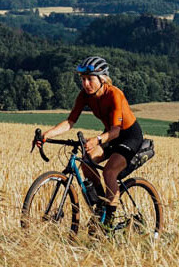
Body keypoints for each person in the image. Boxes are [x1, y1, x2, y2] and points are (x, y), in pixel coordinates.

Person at [34, 56, 144, 209]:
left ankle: (108, 221)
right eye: (83, 79)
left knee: (109, 172)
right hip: (109, 134)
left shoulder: (114, 94)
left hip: (129, 136)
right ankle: (100, 207)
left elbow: (116, 131)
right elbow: (70, 122)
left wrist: (97, 140)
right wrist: (47, 134)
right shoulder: (85, 95)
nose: (85, 84)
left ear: (102, 79)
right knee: (86, 163)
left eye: (90, 79)